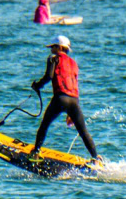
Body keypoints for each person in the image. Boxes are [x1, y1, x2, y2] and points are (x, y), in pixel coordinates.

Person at [29, 35, 102, 163]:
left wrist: (37, 86)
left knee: (44, 125)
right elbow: (74, 84)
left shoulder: (53, 59)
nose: (51, 50)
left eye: (53, 47)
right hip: (74, 101)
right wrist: (71, 112)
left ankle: (36, 152)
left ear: (59, 47)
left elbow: (49, 76)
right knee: (83, 131)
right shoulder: (74, 63)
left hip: (60, 98)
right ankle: (96, 158)